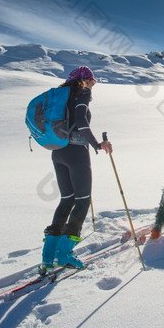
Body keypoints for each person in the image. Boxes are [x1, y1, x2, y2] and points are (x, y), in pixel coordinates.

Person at [40, 66, 113, 274]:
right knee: (82, 201)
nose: (94, 84)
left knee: (67, 199)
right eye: (93, 80)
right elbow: (81, 122)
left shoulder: (62, 96)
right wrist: (97, 145)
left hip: (58, 152)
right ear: (85, 80)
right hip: (76, 153)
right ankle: (64, 254)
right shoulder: (83, 92)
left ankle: (48, 257)